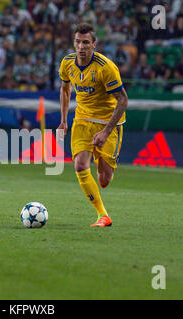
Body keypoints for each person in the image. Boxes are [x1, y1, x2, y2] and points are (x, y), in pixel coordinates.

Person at [57, 23, 128, 228]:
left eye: (86, 42)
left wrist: (106, 132)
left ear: (94, 44)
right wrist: (63, 120)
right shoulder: (67, 63)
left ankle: (102, 158)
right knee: (80, 165)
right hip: (82, 120)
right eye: (78, 42)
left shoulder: (106, 68)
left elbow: (123, 100)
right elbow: (65, 89)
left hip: (107, 123)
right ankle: (102, 215)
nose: (81, 46)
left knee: (104, 180)